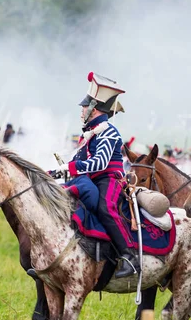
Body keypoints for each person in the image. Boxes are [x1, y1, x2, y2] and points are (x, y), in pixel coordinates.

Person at [54, 71, 138, 278]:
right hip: (94, 179)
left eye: (85, 106)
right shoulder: (91, 134)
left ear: (94, 108)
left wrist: (71, 168)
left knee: (105, 207)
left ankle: (130, 255)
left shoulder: (108, 132)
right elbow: (77, 161)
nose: (82, 110)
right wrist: (54, 172)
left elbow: (99, 163)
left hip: (110, 179)